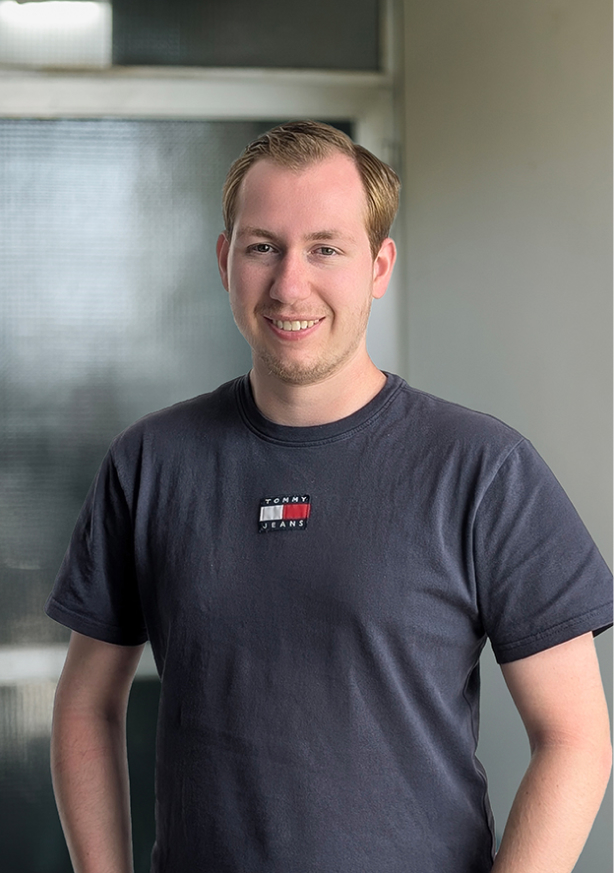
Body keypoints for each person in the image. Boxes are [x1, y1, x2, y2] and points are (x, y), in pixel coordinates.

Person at [46, 121, 612, 873]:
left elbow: (576, 735)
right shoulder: (152, 462)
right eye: (262, 247)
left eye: (325, 248)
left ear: (379, 266)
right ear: (225, 261)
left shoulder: (481, 467)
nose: (289, 284)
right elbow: (86, 703)